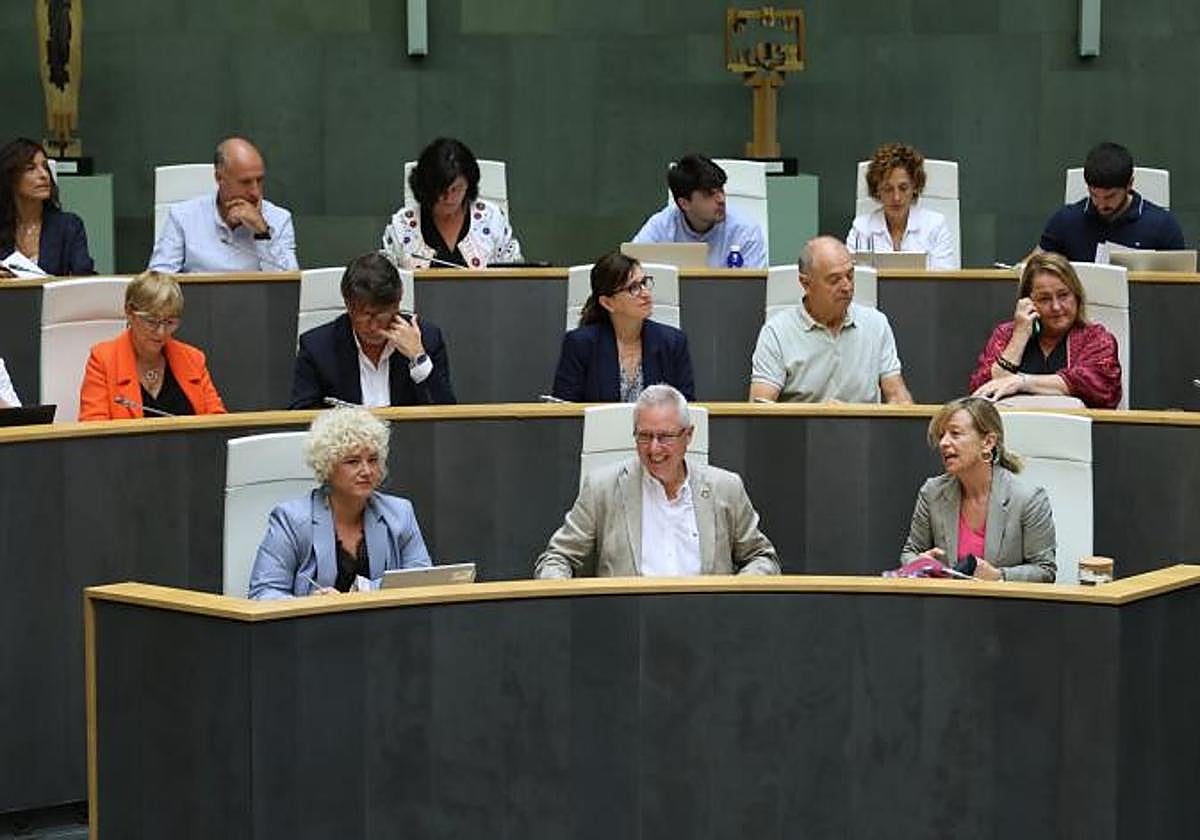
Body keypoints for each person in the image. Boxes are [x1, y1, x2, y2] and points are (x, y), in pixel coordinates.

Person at [534, 384, 780, 578]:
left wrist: (734, 594)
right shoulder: (602, 489)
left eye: (665, 437)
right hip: (626, 628)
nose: (654, 449)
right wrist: (556, 586)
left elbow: (762, 558)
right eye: (644, 436)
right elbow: (557, 557)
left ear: (689, 435)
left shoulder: (725, 488)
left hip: (709, 627)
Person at [248, 407, 431, 599]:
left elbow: (421, 581)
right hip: (314, 627)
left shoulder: (399, 513)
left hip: (384, 627)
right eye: (353, 461)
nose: (367, 471)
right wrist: (309, 605)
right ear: (327, 465)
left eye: (373, 460)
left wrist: (359, 593)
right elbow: (263, 593)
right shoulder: (291, 519)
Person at [899, 397, 1056, 582]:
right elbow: (911, 552)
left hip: (1003, 608)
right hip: (946, 605)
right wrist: (920, 564)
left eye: (955, 434)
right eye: (942, 435)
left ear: (988, 442)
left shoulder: (1028, 499)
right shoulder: (932, 492)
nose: (943, 443)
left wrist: (999, 576)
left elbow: (1045, 571)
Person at [750, 236, 913, 404]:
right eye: (834, 280)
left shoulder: (876, 324)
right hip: (800, 429)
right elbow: (761, 407)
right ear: (806, 284)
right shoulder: (777, 332)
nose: (847, 287)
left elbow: (896, 394)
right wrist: (824, 415)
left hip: (863, 429)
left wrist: (905, 410)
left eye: (850, 276)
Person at [290, 251, 455, 408]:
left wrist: (418, 359)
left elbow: (446, 420)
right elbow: (301, 419)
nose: (373, 327)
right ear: (348, 305)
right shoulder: (317, 347)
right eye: (366, 315)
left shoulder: (427, 339)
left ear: (398, 301)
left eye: (381, 315)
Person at [968, 251, 1121, 408]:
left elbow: (1097, 386)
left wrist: (1022, 382)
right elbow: (981, 390)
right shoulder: (1006, 334)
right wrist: (1019, 336)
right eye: (1044, 299)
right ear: (1028, 301)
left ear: (1076, 296)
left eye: (1063, 295)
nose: (1056, 307)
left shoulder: (1096, 337)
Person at [78, 271, 227, 420]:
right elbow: (93, 427)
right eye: (151, 321)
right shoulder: (103, 360)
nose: (161, 332)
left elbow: (217, 421)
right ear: (130, 313)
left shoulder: (193, 359)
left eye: (169, 322)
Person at [551, 252, 694, 402]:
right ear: (608, 303)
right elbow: (565, 411)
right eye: (634, 288)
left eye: (644, 283)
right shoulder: (580, 345)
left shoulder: (673, 342)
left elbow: (686, 408)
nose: (645, 293)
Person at [148, 136, 298, 273]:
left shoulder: (279, 219)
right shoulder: (183, 217)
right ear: (219, 178)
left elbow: (288, 287)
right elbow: (157, 281)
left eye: (259, 180)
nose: (255, 192)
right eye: (245, 182)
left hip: (255, 302)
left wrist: (262, 233)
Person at [382, 137, 522, 269]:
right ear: (426, 187)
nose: (449, 198)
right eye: (441, 190)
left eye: (456, 189)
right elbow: (386, 281)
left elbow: (515, 274)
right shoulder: (402, 225)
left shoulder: (492, 219)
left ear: (468, 185)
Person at [1037, 142, 1185, 262]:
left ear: (1129, 184)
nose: (1101, 204)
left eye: (1110, 197)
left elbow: (1181, 283)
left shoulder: (1163, 225)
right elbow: (1032, 267)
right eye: (1094, 195)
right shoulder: (1065, 220)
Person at [631, 153, 767, 269]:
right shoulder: (661, 227)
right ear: (684, 203)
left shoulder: (745, 231)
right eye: (709, 194)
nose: (721, 199)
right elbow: (629, 269)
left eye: (721, 190)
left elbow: (755, 290)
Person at [845, 142, 957, 270]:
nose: (896, 197)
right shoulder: (861, 228)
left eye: (903, 188)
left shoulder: (934, 226)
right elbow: (849, 280)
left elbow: (944, 281)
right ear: (877, 190)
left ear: (915, 187)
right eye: (888, 189)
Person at [0, 137, 94, 277]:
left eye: (45, 167)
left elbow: (83, 277)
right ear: (10, 178)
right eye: (31, 169)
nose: (44, 175)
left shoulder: (69, 226)